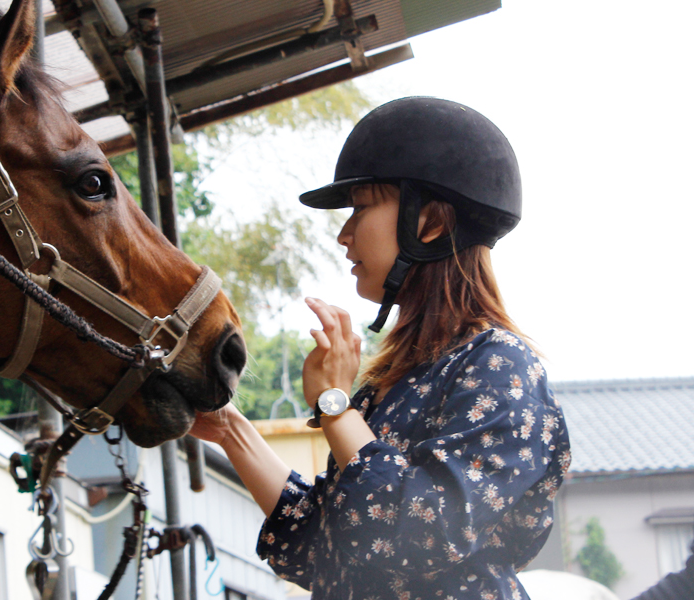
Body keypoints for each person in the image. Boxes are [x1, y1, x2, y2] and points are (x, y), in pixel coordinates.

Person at [190, 97, 571, 600]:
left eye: (363, 207)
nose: (345, 234)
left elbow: (423, 533)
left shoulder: (501, 367)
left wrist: (335, 406)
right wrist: (229, 430)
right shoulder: (397, 379)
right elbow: (323, 548)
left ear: (430, 221)